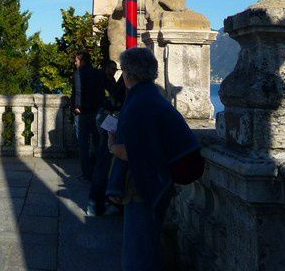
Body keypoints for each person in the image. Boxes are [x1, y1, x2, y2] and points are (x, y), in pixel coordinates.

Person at [109, 47, 204, 270]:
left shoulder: (138, 103)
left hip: (144, 186)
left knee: (137, 253)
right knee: (147, 246)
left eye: (123, 70)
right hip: (159, 181)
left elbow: (136, 152)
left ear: (128, 74)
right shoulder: (152, 97)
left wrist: (113, 146)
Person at [87, 59, 126, 216]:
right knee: (105, 161)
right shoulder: (127, 81)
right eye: (112, 69)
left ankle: (96, 204)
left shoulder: (120, 80)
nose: (114, 72)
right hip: (111, 119)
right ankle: (100, 203)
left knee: (102, 161)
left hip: (104, 116)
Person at [72, 52, 106, 182]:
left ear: (82, 61)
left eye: (76, 60)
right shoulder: (98, 73)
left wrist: (77, 106)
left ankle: (87, 174)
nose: (75, 63)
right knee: (97, 143)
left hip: (83, 113)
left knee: (83, 144)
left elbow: (78, 90)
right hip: (97, 111)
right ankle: (99, 172)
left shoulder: (78, 73)